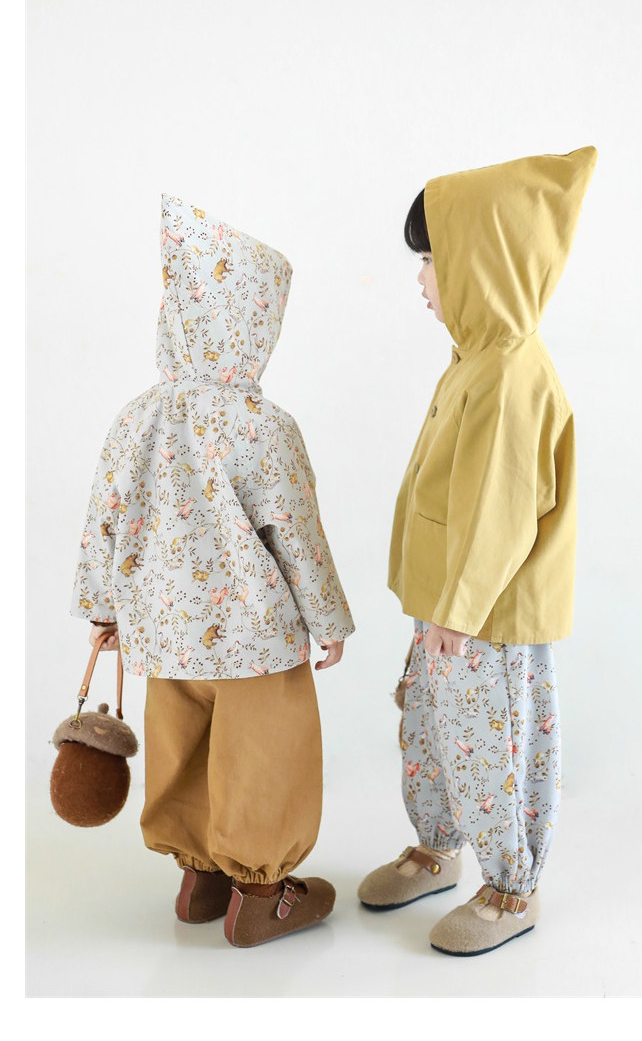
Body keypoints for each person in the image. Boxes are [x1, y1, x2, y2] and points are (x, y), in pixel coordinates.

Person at [71, 194, 355, 948]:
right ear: (253, 324)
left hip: (165, 640)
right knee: (265, 758)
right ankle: (262, 893)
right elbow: (296, 533)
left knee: (186, 748)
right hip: (253, 640)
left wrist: (104, 610)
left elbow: (105, 518)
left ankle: (200, 879)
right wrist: (327, 620)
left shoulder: (135, 417)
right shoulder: (262, 425)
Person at [357, 147, 597, 956]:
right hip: (450, 609)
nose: (422, 279)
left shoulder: (512, 374)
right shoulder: (475, 359)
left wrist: (458, 611)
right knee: (431, 728)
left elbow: (500, 511)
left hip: (484, 617)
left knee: (491, 743)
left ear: (479, 261)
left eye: (430, 260)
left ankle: (510, 885)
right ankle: (437, 845)